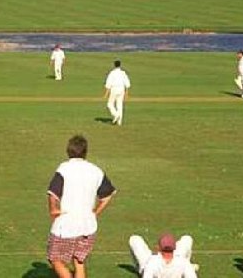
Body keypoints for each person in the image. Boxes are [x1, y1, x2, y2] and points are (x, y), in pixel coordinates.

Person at [47, 135, 116, 278]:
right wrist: (95, 213)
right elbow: (108, 195)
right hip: (88, 226)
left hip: (66, 225)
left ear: (68, 151)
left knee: (55, 259)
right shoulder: (96, 170)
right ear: (85, 152)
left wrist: (53, 209)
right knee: (79, 261)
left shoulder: (64, 169)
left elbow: (53, 193)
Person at [129, 232, 198, 278]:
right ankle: (190, 268)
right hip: (179, 264)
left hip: (149, 264)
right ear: (175, 247)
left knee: (134, 239)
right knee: (187, 239)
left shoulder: (152, 262)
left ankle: (139, 268)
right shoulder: (183, 262)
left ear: (159, 248)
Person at [104, 60, 131, 126]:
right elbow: (127, 83)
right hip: (122, 89)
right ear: (120, 65)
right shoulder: (123, 73)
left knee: (109, 104)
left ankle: (116, 115)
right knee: (120, 105)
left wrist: (106, 93)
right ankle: (119, 122)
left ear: (114, 65)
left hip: (114, 89)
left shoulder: (112, 73)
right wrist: (126, 93)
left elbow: (109, 83)